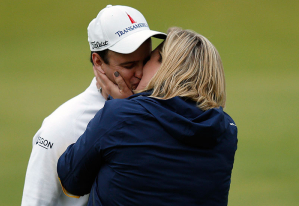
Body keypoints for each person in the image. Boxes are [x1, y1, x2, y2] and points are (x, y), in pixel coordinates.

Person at [57, 27, 238, 206]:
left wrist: (121, 104)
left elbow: (70, 178)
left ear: (165, 67)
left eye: (147, 60)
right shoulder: (226, 130)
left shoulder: (119, 116)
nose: (139, 71)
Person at [21, 5, 166, 206]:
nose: (141, 74)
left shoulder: (164, 111)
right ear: (98, 62)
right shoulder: (59, 127)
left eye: (147, 60)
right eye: (128, 65)